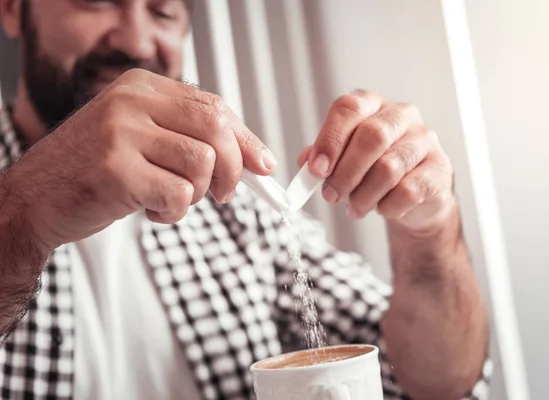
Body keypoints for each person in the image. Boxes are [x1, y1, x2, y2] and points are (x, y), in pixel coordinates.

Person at [0, 0, 491, 399]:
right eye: (98, 1)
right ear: (11, 9)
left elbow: (431, 383)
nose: (136, 40)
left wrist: (430, 234)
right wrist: (26, 209)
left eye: (164, 11)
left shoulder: (238, 212)